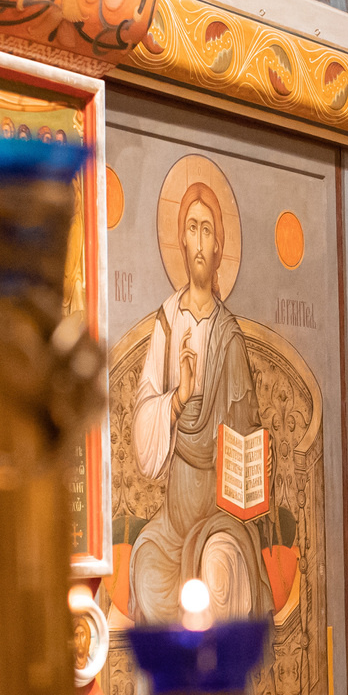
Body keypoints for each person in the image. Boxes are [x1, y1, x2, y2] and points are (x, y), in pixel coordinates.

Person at [128, 179, 273, 623]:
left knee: (217, 573)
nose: (199, 240)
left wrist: (261, 465)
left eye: (208, 229)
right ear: (181, 239)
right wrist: (178, 399)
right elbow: (142, 423)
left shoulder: (229, 336)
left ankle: (215, 689)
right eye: (192, 227)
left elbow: (248, 433)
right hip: (173, 522)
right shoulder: (167, 324)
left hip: (218, 515)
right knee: (146, 569)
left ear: (217, 249)